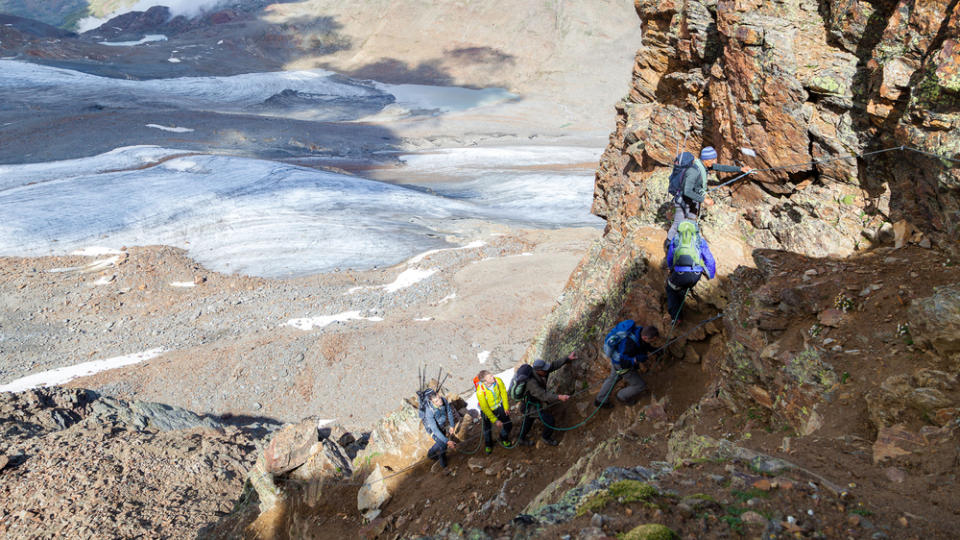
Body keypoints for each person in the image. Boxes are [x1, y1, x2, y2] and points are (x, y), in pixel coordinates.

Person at [667, 146, 752, 242]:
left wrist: (740, 169)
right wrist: (704, 199)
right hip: (682, 200)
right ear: (705, 160)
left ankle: (686, 243)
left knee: (691, 221)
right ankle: (669, 243)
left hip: (694, 199)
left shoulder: (704, 165)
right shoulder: (694, 171)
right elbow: (687, 191)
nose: (714, 162)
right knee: (678, 223)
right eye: (712, 159)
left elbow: (721, 167)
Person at [516, 352, 576, 447]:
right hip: (531, 406)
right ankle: (545, 437)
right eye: (544, 369)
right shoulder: (531, 382)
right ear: (538, 370)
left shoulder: (542, 372)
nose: (546, 370)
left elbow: (553, 366)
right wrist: (559, 397)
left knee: (528, 421)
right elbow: (543, 395)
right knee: (549, 420)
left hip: (532, 404)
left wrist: (567, 358)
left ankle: (520, 438)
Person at [595, 322, 659, 408]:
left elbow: (643, 344)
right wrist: (636, 359)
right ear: (645, 337)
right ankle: (621, 396)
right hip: (621, 364)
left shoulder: (638, 331)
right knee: (640, 385)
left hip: (616, 360)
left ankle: (600, 399)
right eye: (652, 340)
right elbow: (624, 363)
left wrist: (655, 350)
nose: (653, 342)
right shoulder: (630, 344)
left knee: (614, 377)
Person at [666, 220, 716, 321]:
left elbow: (670, 257)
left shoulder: (676, 239)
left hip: (680, 274)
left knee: (670, 289)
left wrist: (671, 268)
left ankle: (675, 318)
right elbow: (709, 259)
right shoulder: (699, 240)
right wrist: (710, 274)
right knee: (682, 288)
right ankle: (680, 306)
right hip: (696, 274)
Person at [474, 370, 513, 454]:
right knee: (487, 428)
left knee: (508, 424)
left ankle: (503, 437)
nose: (493, 377)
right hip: (487, 410)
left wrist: (506, 407)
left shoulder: (498, 381)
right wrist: (495, 420)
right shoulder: (480, 392)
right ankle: (488, 444)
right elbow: (485, 408)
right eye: (490, 377)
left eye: (491, 375)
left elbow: (503, 393)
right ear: (484, 381)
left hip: (499, 406)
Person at [421, 389, 457, 469]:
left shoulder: (443, 400)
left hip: (441, 425)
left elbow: (449, 411)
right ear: (432, 402)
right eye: (436, 401)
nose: (440, 401)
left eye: (439, 398)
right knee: (443, 444)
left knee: (442, 442)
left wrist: (452, 425)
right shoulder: (429, 412)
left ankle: (431, 454)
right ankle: (443, 465)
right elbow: (435, 429)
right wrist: (447, 441)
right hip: (432, 429)